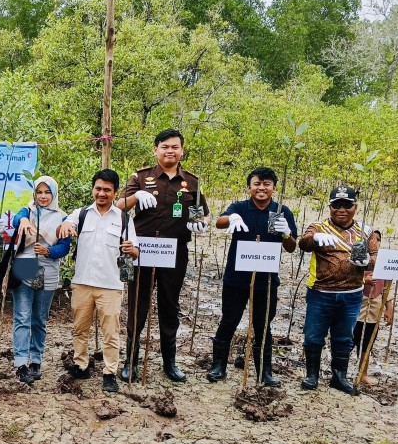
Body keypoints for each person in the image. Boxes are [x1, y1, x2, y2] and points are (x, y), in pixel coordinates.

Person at [117, 128, 209, 383]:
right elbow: (119, 206)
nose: (170, 151)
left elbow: (201, 215)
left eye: (175, 147)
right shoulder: (141, 176)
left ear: (182, 150)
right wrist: (136, 196)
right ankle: (131, 361)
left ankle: (170, 362)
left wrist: (200, 224)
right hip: (142, 250)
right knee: (138, 304)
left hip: (175, 251)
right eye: (165, 146)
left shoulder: (192, 182)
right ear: (156, 149)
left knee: (170, 305)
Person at [208, 167, 297, 386]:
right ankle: (218, 366)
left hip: (266, 281)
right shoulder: (239, 207)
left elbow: (292, 247)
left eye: (267, 184)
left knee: (263, 326)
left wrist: (286, 233)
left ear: (274, 188)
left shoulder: (281, 211)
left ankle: (264, 372)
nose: (261, 188)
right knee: (229, 321)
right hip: (236, 279)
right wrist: (230, 219)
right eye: (257, 183)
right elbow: (219, 222)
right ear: (249, 187)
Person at [57, 169, 139, 393]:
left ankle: (109, 372)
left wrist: (133, 250)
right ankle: (81, 365)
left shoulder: (123, 219)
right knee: (79, 329)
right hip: (82, 282)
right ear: (93, 189)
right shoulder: (81, 214)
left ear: (115, 193)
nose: (102, 193)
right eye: (98, 188)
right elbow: (65, 225)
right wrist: (64, 226)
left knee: (110, 332)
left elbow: (135, 250)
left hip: (111, 286)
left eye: (107, 190)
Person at [298, 185, 379, 394]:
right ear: (329, 207)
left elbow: (376, 257)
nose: (341, 210)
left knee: (344, 337)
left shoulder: (366, 231)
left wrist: (368, 261)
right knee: (314, 334)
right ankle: (312, 375)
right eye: (336, 205)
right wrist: (314, 239)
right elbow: (304, 243)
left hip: (351, 295)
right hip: (320, 292)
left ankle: (339, 376)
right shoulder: (318, 227)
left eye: (347, 205)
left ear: (355, 207)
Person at [8, 176, 72, 384]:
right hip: (25, 267)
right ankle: (20, 364)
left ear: (54, 194)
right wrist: (24, 220)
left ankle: (36, 361)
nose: (43, 197)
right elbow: (17, 218)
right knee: (22, 317)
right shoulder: (29, 210)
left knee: (39, 319)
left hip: (48, 270)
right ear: (34, 194)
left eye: (47, 192)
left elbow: (64, 247)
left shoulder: (63, 218)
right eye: (39, 192)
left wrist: (48, 250)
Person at [352, 278, 395, 385]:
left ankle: (363, 373)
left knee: (368, 341)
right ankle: (340, 372)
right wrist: (363, 280)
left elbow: (387, 286)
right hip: (354, 302)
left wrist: (389, 308)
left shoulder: (384, 263)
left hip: (375, 305)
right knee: (348, 340)